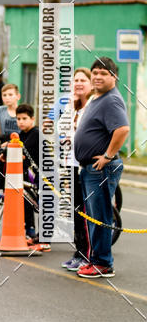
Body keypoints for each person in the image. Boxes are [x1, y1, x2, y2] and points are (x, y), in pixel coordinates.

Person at [74, 57, 129, 278]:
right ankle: (96, 260)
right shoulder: (98, 98)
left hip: (101, 170)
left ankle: (103, 264)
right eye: (94, 72)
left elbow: (122, 129)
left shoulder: (111, 101)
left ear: (114, 77)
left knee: (101, 217)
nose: (97, 76)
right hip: (90, 169)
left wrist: (107, 156)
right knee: (94, 217)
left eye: (103, 73)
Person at [61, 68, 93, 272]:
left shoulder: (92, 106)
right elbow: (59, 129)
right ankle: (78, 252)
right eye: (75, 80)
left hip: (84, 166)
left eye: (83, 80)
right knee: (74, 212)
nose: (78, 83)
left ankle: (87, 255)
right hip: (69, 164)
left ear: (90, 85)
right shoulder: (71, 107)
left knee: (85, 213)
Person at [16, 103, 50, 252]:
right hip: (34, 174)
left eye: (24, 118)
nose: (21, 122)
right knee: (31, 201)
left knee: (46, 205)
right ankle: (35, 234)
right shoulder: (22, 133)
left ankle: (45, 241)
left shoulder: (35, 134)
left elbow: (23, 150)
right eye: (18, 119)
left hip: (47, 174)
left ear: (32, 119)